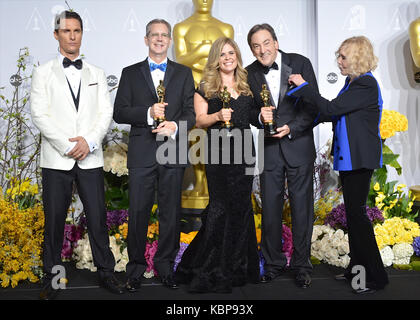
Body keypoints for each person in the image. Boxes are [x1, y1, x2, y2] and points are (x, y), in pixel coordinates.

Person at [30, 10, 124, 300]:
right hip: (57, 158)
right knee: (55, 218)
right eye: (66, 30)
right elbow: (39, 115)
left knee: (97, 218)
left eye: (77, 31)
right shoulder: (42, 72)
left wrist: (90, 142)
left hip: (90, 157)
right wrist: (68, 145)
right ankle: (54, 277)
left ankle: (106, 273)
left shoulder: (96, 72)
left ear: (82, 34)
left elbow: (104, 113)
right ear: (56, 34)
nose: (72, 36)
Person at [288, 35, 389, 294]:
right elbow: (328, 112)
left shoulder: (365, 84)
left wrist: (304, 87)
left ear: (356, 58)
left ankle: (376, 279)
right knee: (355, 218)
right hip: (350, 159)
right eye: (339, 56)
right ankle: (357, 271)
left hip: (360, 160)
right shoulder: (351, 83)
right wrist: (295, 124)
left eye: (343, 56)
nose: (339, 61)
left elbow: (331, 108)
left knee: (357, 217)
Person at [113, 19, 195, 292]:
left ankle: (165, 267)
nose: (159, 39)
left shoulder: (183, 73)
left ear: (170, 41)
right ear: (146, 39)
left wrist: (174, 126)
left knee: (170, 213)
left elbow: (190, 113)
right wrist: (148, 113)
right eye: (154, 35)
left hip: (172, 149)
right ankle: (135, 270)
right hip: (142, 151)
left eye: (164, 35)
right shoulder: (130, 73)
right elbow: (120, 111)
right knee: (138, 211)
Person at [175, 37, 260, 293]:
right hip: (218, 153)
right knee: (220, 207)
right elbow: (199, 121)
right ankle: (207, 267)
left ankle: (238, 267)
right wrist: (217, 116)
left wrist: (265, 115)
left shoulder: (247, 85)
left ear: (237, 56)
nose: (227, 58)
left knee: (241, 207)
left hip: (245, 152)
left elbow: (253, 115)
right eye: (222, 54)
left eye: (231, 53)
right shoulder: (205, 87)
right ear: (216, 59)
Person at [246, 23, 318, 288]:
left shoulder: (300, 62)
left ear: (275, 43)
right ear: (252, 50)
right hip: (268, 148)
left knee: (302, 209)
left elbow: (313, 105)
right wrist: (257, 116)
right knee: (271, 210)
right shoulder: (249, 73)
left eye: (266, 43)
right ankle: (273, 263)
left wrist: (292, 128)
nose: (262, 50)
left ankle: (301, 265)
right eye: (256, 46)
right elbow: (249, 109)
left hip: (298, 144)